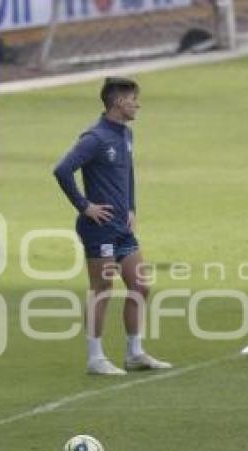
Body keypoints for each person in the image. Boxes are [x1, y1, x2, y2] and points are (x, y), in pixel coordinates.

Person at [53, 77, 172, 376]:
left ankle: (134, 353)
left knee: (140, 286)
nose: (137, 104)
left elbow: (128, 172)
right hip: (99, 228)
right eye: (133, 99)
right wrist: (85, 206)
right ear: (119, 101)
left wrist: (132, 206)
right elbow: (63, 170)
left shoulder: (126, 134)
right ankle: (95, 357)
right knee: (102, 288)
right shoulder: (95, 138)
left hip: (122, 226)